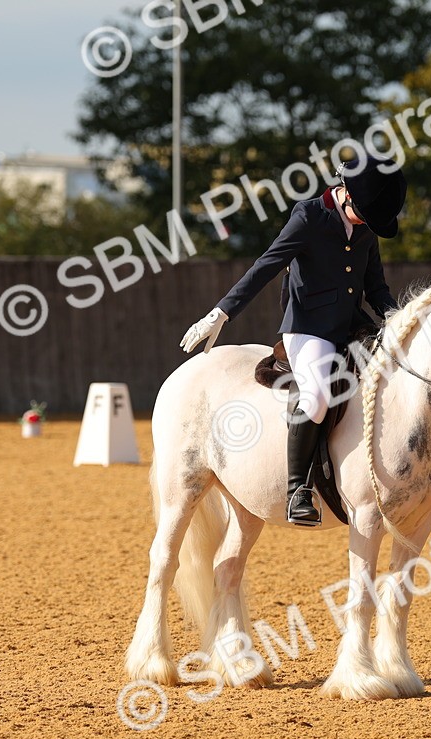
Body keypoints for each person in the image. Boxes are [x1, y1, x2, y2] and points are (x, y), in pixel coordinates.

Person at [180, 155, 408, 526]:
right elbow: (265, 266)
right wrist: (220, 313)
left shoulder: (366, 226)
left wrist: (400, 323)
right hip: (308, 328)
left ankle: (405, 481)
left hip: (353, 327)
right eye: (364, 216)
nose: (367, 225)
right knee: (316, 396)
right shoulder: (308, 217)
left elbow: (376, 288)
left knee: (400, 380)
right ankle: (297, 489)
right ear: (346, 193)